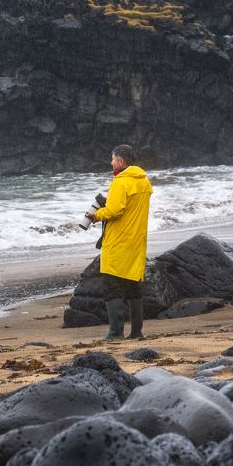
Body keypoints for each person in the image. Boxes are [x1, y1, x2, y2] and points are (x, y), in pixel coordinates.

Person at [86, 144, 153, 341]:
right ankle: (136, 332)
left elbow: (114, 211)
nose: (111, 162)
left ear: (121, 162)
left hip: (119, 242)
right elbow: (128, 207)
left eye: (113, 159)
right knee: (133, 286)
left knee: (112, 286)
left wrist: (95, 215)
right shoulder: (144, 182)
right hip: (136, 241)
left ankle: (115, 333)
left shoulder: (120, 183)